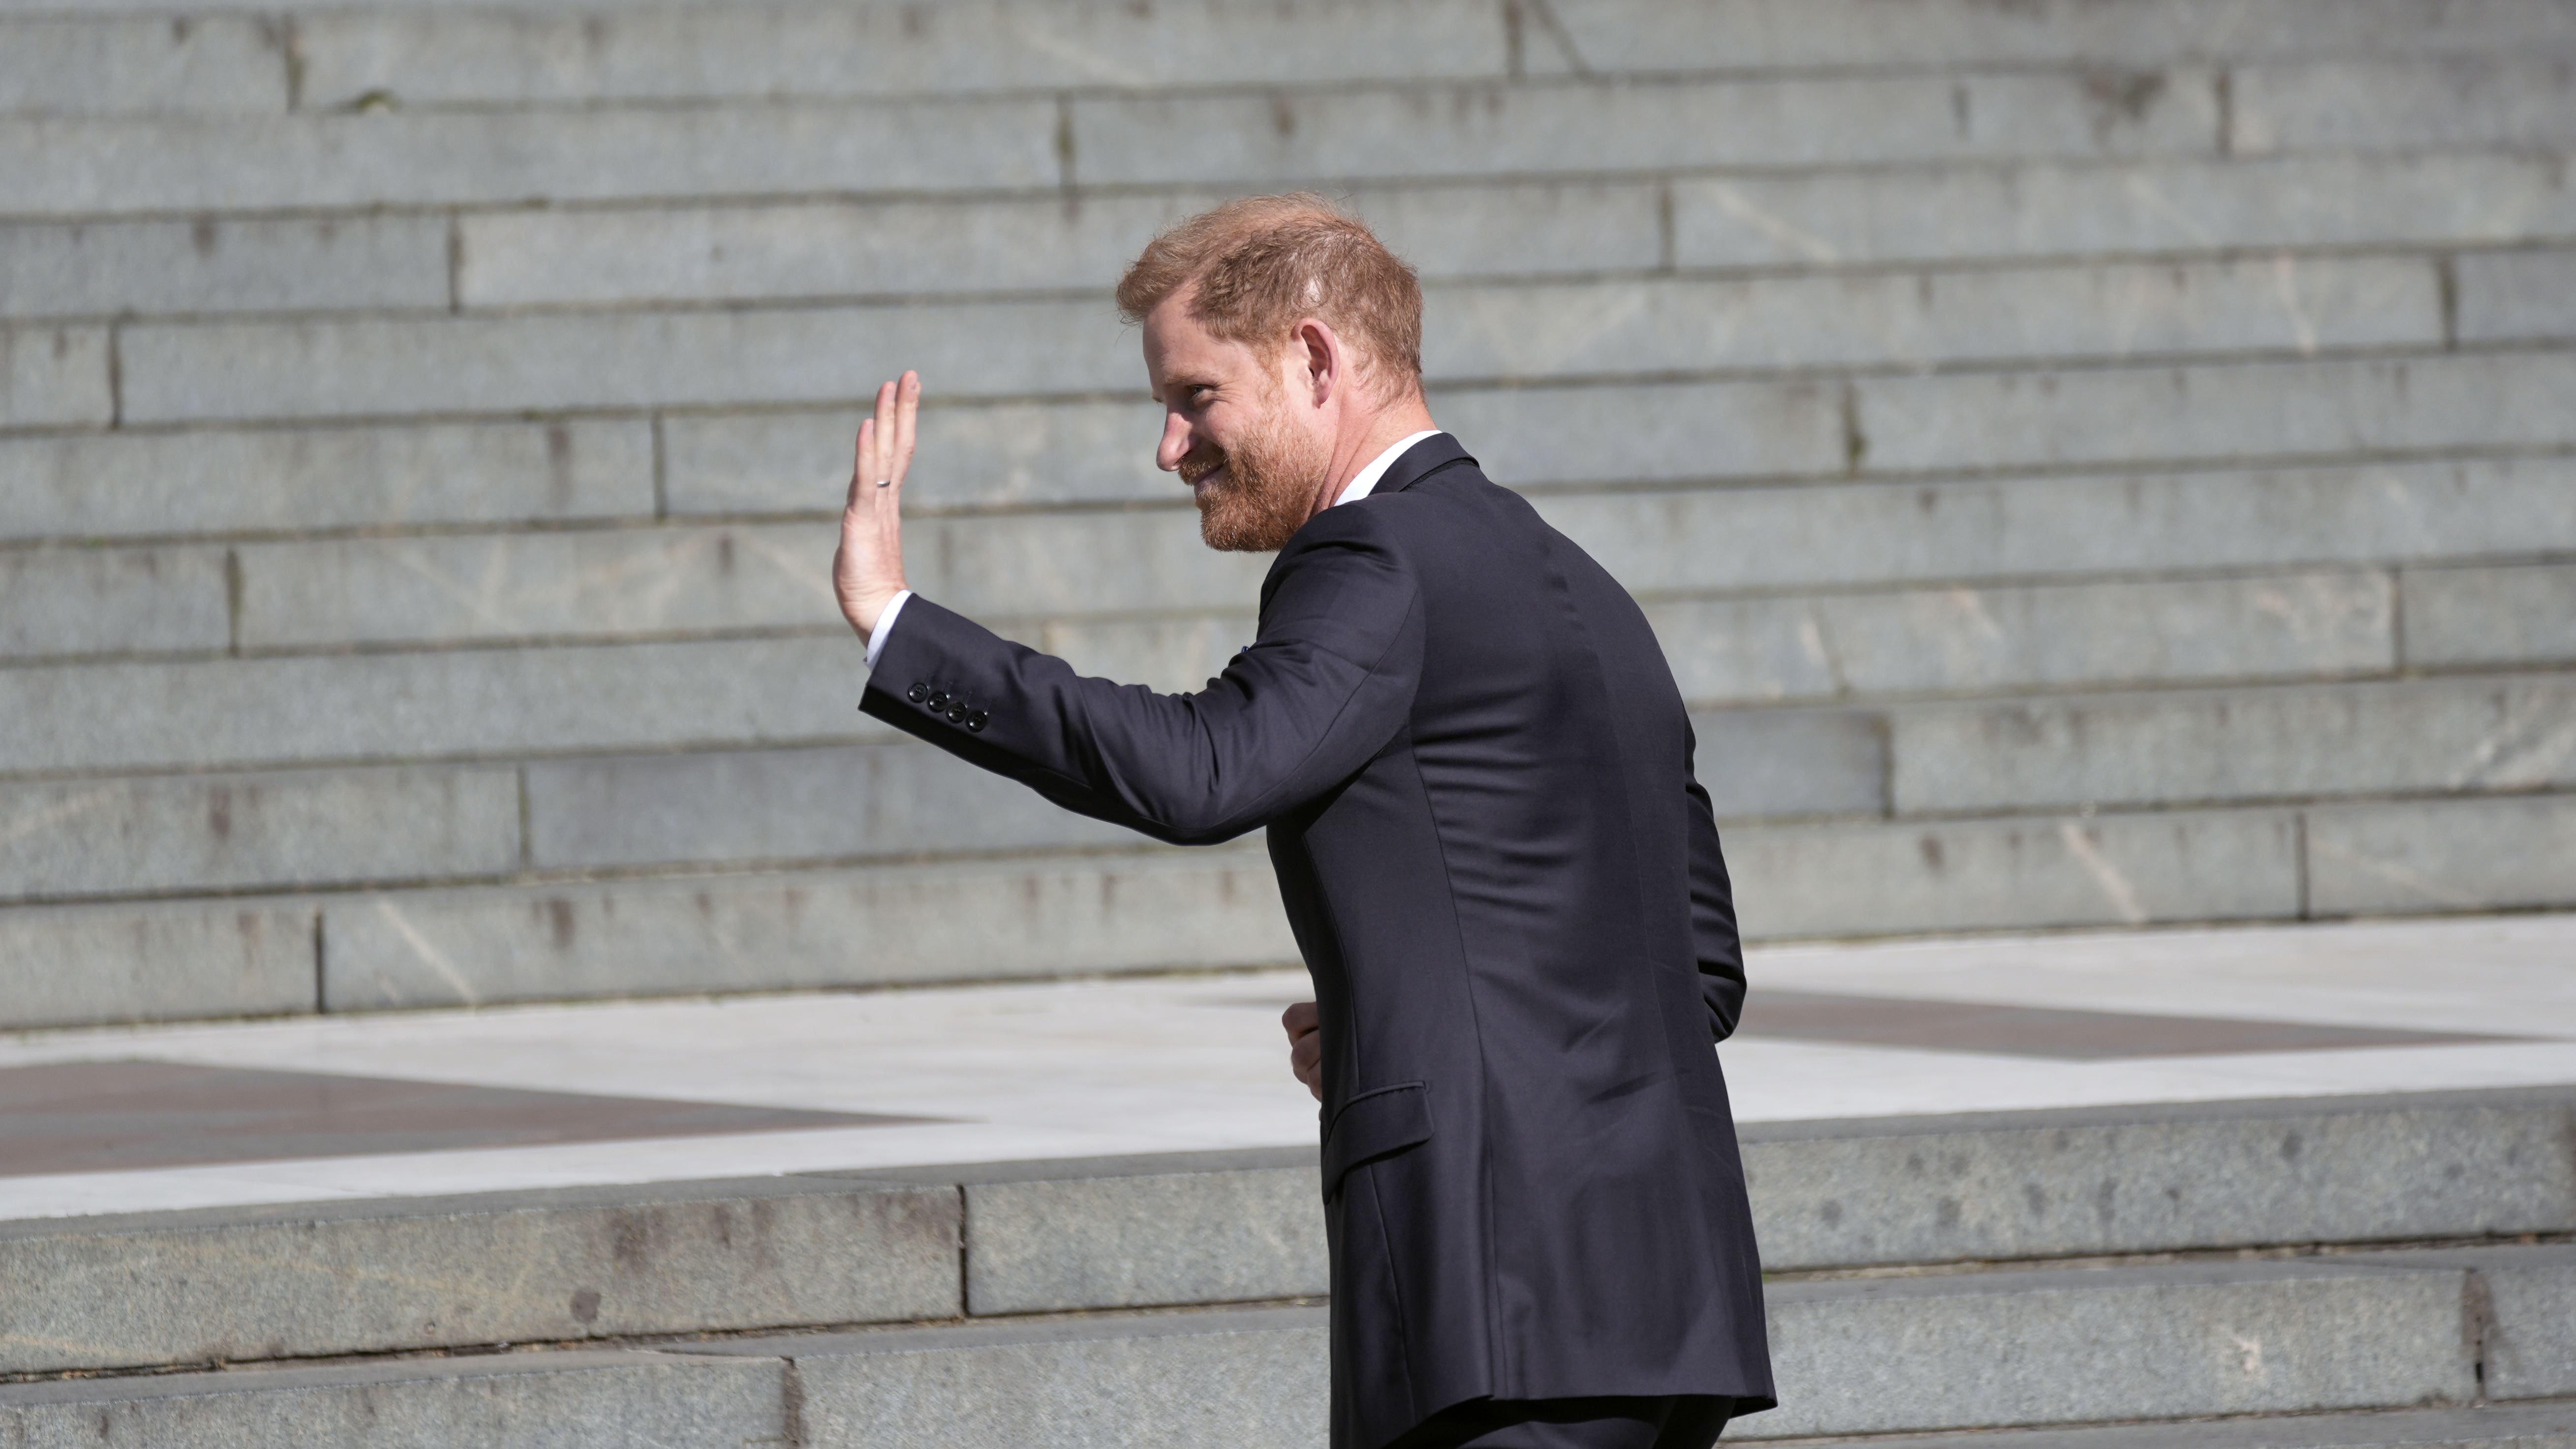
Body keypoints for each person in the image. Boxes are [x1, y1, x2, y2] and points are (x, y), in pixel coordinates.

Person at [830, 194, 1774, 1449]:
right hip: (1670, 1303)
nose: (1169, 446)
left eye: (1196, 396)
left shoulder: (1376, 557)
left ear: (1315, 358)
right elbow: (1695, 972)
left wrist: (897, 622)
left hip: (1499, 1303)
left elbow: (1207, 768)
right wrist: (1423, 1013)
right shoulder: (1585, 587)